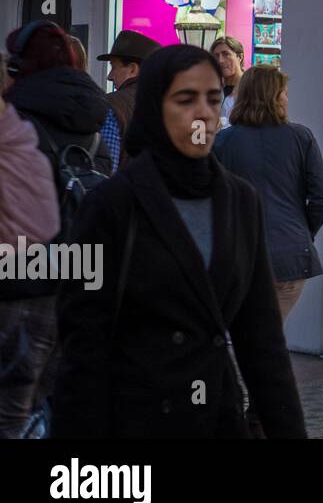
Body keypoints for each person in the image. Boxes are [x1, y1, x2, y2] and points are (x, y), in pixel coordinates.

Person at [52, 44, 306, 438]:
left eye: (213, 98)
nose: (203, 112)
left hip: (215, 416)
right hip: (135, 420)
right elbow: (82, 345)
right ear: (156, 107)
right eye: (185, 99)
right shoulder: (111, 205)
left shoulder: (238, 201)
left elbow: (262, 342)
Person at [213, 66, 323, 321]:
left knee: (245, 337)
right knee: (267, 339)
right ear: (274, 97)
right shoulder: (301, 137)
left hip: (240, 256)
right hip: (289, 257)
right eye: (284, 93)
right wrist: (303, 230)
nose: (287, 99)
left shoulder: (222, 142)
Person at [0, 50, 62, 438]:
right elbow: (47, 222)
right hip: (47, 284)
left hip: (16, 293)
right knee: (20, 412)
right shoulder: (24, 138)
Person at [96, 30, 161, 174]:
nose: (110, 76)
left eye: (114, 67)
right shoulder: (171, 105)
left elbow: (105, 172)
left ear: (132, 69)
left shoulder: (112, 105)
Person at [211, 36, 245, 127]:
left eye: (226, 54)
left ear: (240, 57)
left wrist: (222, 123)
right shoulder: (212, 89)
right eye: (216, 56)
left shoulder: (252, 88)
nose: (220, 60)